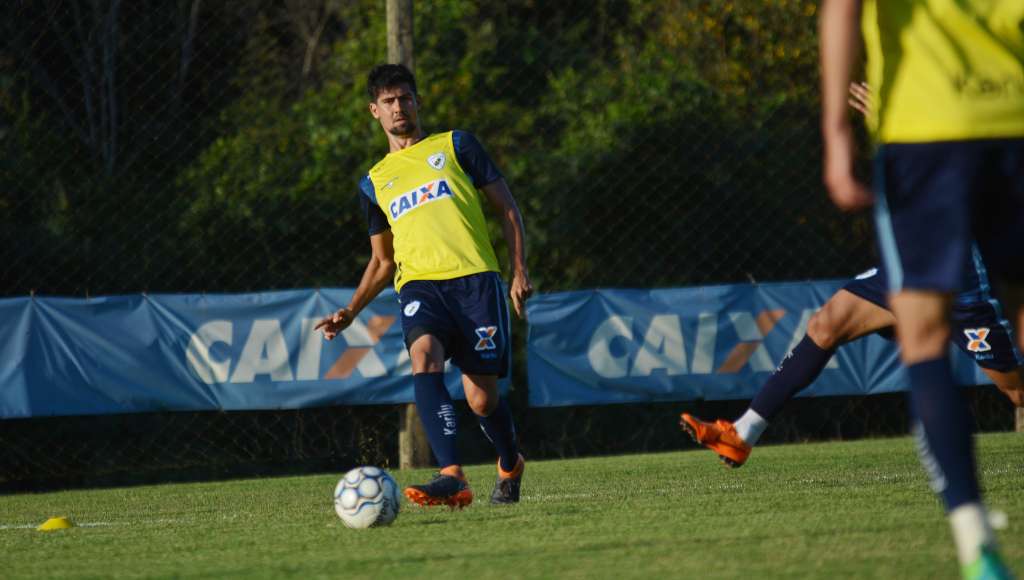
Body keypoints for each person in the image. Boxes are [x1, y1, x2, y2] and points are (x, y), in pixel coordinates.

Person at [681, 82, 1024, 468]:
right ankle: (743, 432)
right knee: (827, 323)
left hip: (960, 275)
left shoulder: (983, 99)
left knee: (1015, 391)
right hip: (911, 260)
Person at [819, 0, 1024, 577]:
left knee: (924, 335)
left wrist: (835, 131)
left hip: (924, 131)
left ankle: (975, 542)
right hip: (1013, 115)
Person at [315, 63, 533, 508]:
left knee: (480, 397)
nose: (399, 108)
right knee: (424, 358)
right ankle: (452, 474)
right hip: (419, 287)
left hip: (475, 281)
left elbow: (507, 208)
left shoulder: (455, 146)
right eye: (389, 102)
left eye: (405, 98)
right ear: (374, 111)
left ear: (417, 102)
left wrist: (519, 270)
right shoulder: (374, 182)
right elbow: (382, 260)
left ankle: (510, 462)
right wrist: (351, 310)